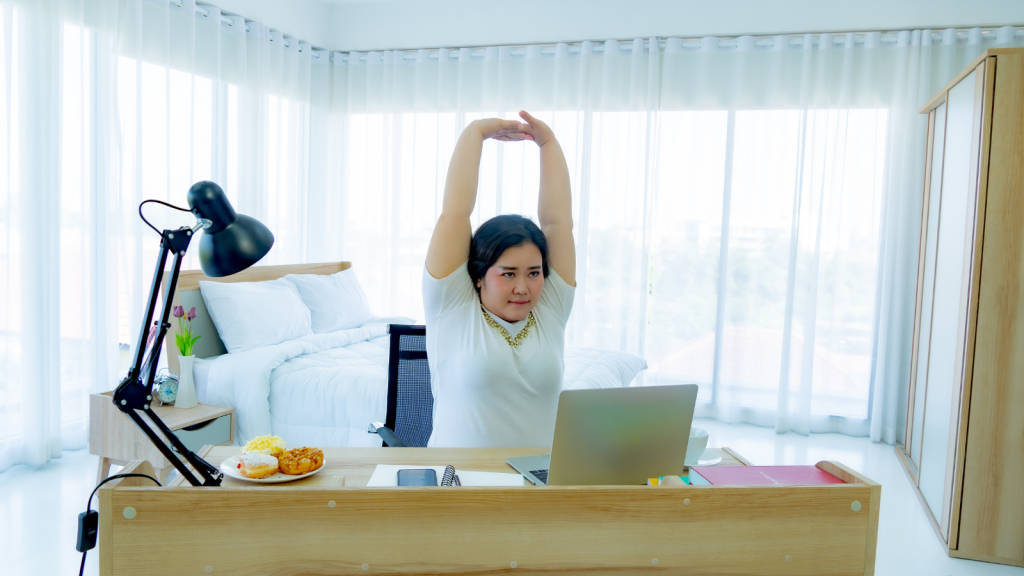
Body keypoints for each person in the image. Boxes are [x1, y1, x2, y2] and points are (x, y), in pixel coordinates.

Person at [423, 110, 576, 448]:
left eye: (534, 274)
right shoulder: (453, 307)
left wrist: (547, 142)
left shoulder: (549, 311)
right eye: (508, 274)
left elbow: (558, 224)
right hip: (458, 484)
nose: (523, 288)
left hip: (536, 485)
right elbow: (454, 214)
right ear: (479, 276)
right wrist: (476, 133)